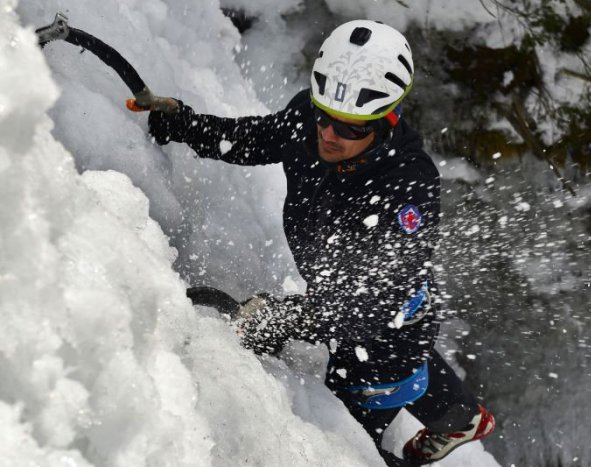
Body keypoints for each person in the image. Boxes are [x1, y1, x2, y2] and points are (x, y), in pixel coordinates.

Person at [148, 19, 495, 466]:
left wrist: (285, 318)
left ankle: (446, 424)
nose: (330, 135)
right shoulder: (310, 119)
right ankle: (462, 416)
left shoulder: (409, 185)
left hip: (385, 335)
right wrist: (186, 124)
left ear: (386, 121)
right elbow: (253, 138)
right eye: (326, 118)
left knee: (351, 425)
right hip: (343, 308)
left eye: (351, 128)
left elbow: (372, 304)